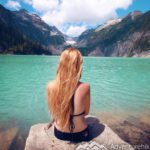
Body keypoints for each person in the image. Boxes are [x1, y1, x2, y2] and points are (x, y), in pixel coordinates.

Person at [46, 48, 91, 142]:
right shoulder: (85, 87)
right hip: (81, 133)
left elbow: (53, 111)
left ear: (61, 65)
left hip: (59, 133)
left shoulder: (50, 86)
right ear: (78, 66)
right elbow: (86, 113)